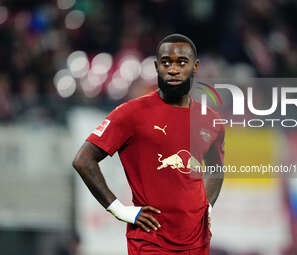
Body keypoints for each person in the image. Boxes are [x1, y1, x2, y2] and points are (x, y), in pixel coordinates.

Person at [72, 33, 225, 254]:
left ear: (195, 66)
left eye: (182, 62)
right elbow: (83, 160)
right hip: (151, 241)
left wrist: (206, 208)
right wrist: (119, 210)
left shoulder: (211, 120)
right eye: (166, 63)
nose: (173, 69)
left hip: (197, 242)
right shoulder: (131, 114)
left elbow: (216, 169)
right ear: (156, 67)